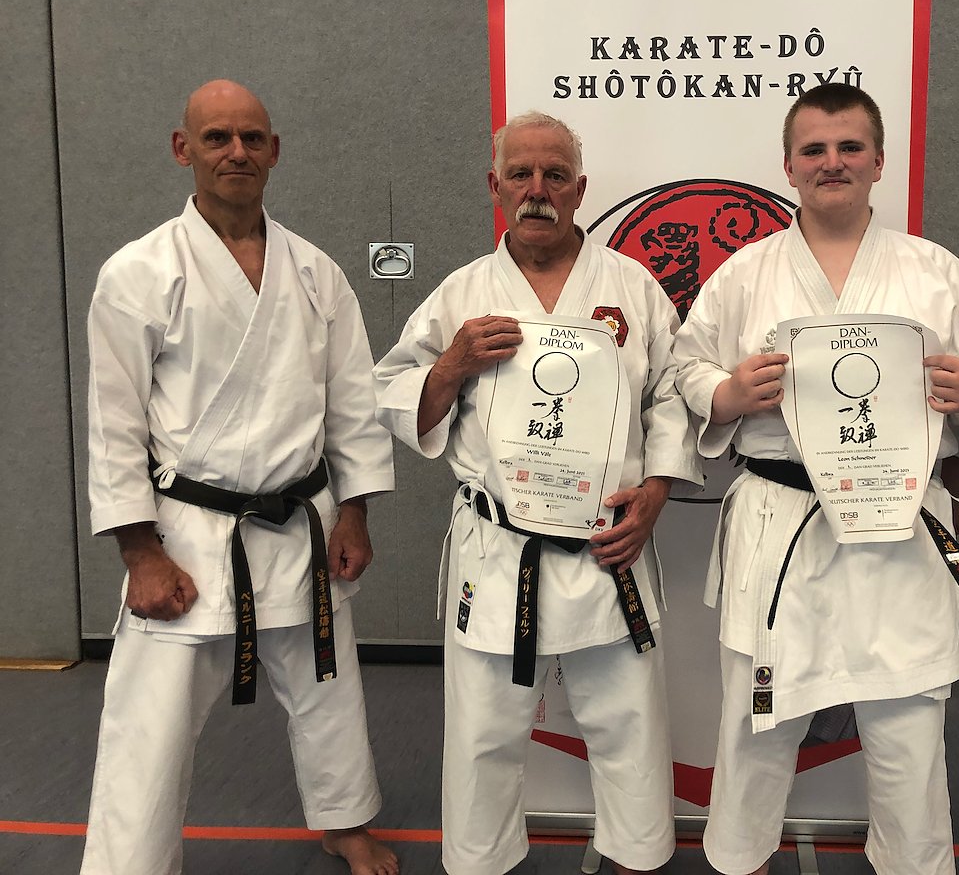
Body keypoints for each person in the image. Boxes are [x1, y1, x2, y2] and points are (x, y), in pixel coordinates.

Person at [672, 83, 959, 875]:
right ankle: (741, 862)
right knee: (757, 724)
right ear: (789, 165)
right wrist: (728, 393)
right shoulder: (745, 273)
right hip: (782, 517)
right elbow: (687, 369)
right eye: (815, 150)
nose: (833, 162)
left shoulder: (937, 272)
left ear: (879, 161)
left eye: (850, 147)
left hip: (899, 522)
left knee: (907, 729)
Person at [82, 79, 398, 875]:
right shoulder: (138, 272)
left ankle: (344, 820)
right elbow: (115, 425)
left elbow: (353, 405)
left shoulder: (317, 272)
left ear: (275, 151)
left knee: (328, 685)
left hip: (298, 524)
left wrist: (354, 512)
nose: (236, 152)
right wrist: (139, 553)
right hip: (187, 536)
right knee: (150, 719)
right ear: (182, 149)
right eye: (217, 137)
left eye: (252, 138)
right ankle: (128, 861)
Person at [373, 111, 700, 875]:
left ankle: (635, 861)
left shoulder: (631, 287)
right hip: (499, 553)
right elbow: (390, 393)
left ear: (580, 189)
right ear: (495, 185)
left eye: (555, 175)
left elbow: (673, 396)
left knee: (629, 728)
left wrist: (656, 493)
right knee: (482, 737)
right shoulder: (462, 294)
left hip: (606, 548)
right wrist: (451, 365)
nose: (537, 190)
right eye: (520, 174)